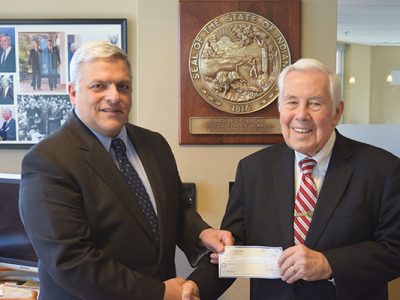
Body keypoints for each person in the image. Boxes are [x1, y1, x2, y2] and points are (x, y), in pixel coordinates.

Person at [19, 40, 233, 300]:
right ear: (73, 93)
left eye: (123, 86)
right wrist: (160, 293)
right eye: (99, 86)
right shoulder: (48, 161)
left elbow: (175, 211)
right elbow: (72, 261)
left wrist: (201, 233)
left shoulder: (154, 144)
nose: (114, 96)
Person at [187, 58, 400, 300]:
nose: (301, 115)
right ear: (280, 109)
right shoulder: (253, 169)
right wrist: (196, 287)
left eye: (315, 103)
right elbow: (233, 249)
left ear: (337, 112)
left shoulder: (382, 169)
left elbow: (395, 249)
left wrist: (329, 264)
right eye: (291, 102)